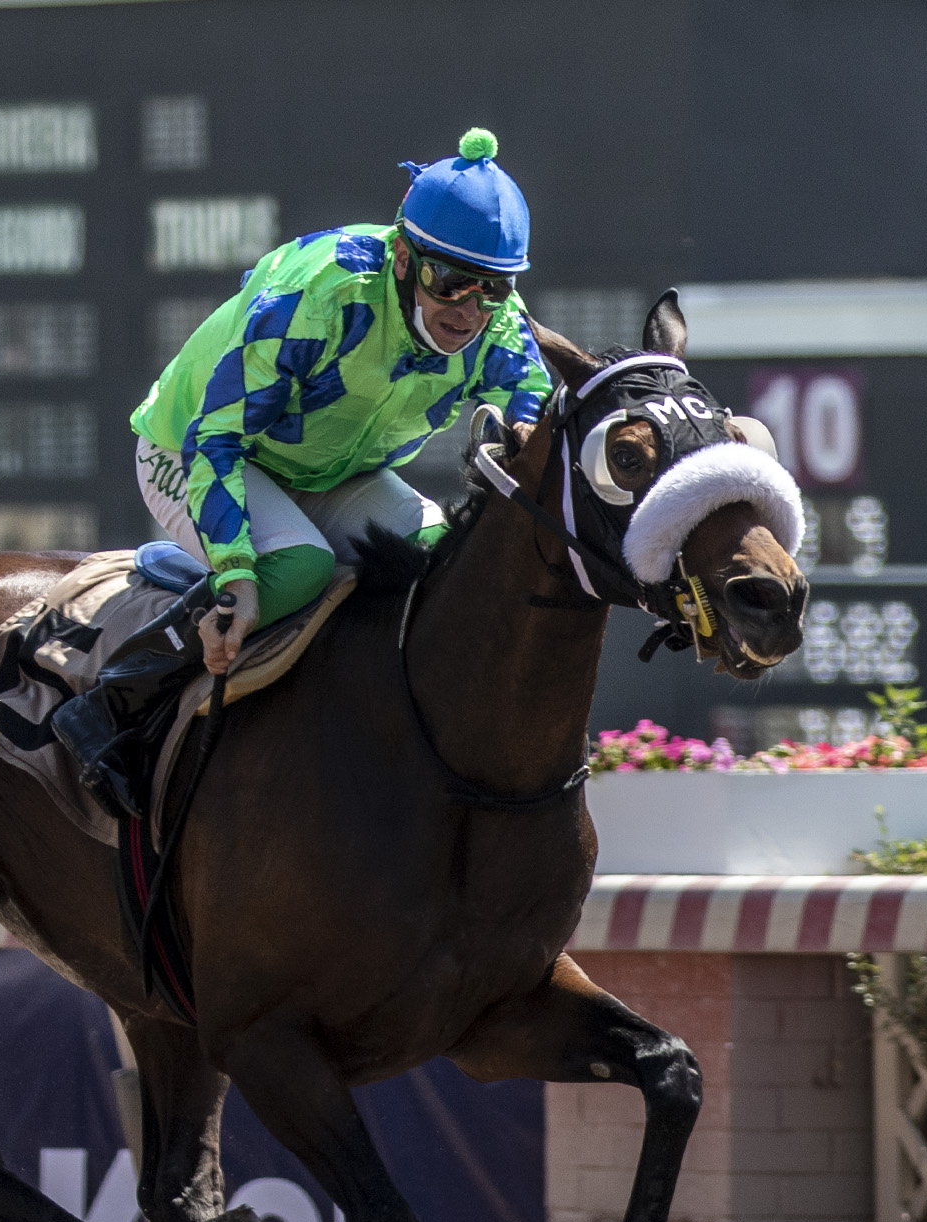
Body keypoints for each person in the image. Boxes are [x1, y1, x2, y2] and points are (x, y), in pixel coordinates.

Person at [52, 128, 557, 819]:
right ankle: (116, 701)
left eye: (492, 287)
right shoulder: (317, 299)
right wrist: (236, 574)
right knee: (298, 568)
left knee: (447, 563)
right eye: (449, 283)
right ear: (403, 257)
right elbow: (216, 439)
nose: (468, 310)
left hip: (331, 470)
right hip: (197, 451)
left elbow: (531, 414)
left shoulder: (498, 322)